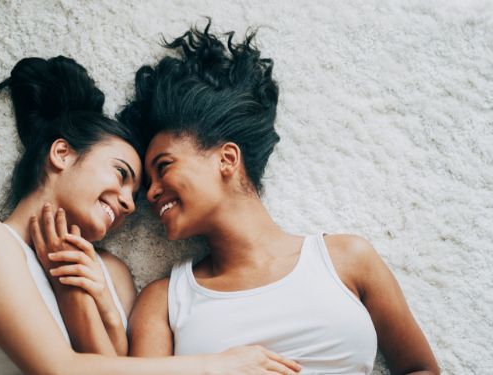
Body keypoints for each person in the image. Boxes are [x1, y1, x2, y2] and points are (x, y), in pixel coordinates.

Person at [0, 55, 302, 375]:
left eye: (134, 196)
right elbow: (60, 368)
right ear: (62, 153)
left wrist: (84, 299)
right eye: (121, 174)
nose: (129, 203)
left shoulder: (112, 275)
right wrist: (216, 365)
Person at [115, 22, 440, 374]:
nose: (150, 192)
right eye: (147, 181)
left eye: (163, 166)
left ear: (227, 159)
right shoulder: (164, 302)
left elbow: (421, 368)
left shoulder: (347, 259)